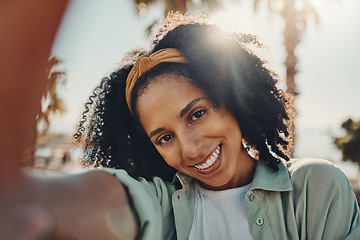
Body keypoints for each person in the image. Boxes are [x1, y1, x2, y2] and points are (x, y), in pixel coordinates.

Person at [70, 13, 360, 239]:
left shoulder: (315, 187)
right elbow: (98, 200)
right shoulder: (162, 205)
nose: (190, 148)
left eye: (196, 114)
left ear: (232, 98)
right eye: (165, 137)